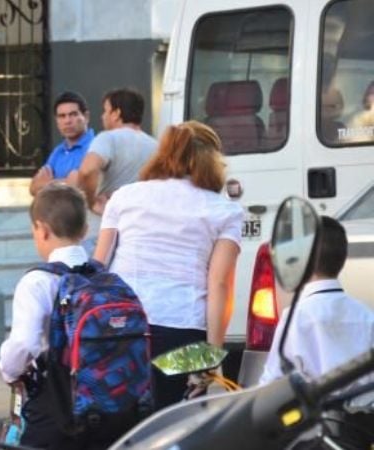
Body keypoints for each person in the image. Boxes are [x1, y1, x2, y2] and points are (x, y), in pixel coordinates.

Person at [93, 121, 243, 410]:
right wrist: (211, 357)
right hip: (183, 333)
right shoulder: (224, 211)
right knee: (175, 419)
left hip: (122, 328)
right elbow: (219, 284)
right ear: (212, 161)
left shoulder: (124, 196)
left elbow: (99, 265)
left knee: (123, 419)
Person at [0, 183, 140, 449]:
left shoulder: (38, 281)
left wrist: (9, 371)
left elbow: (25, 344)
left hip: (59, 407)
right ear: (85, 230)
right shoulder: (109, 280)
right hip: (114, 408)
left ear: (41, 229)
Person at [259, 217, 374, 446]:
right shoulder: (366, 316)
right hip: (361, 432)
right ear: (342, 259)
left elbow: (271, 385)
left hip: (312, 434)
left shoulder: (295, 317)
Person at [77, 88, 157, 251]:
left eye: (106, 111)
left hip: (102, 232)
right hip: (139, 233)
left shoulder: (108, 138)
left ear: (116, 114)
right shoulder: (157, 146)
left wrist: (92, 202)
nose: (103, 116)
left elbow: (87, 170)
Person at [28, 91, 95, 196]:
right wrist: (65, 182)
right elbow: (34, 187)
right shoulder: (58, 151)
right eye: (62, 116)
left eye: (73, 114)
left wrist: (48, 184)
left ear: (86, 117)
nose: (67, 121)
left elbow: (78, 185)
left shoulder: (95, 147)